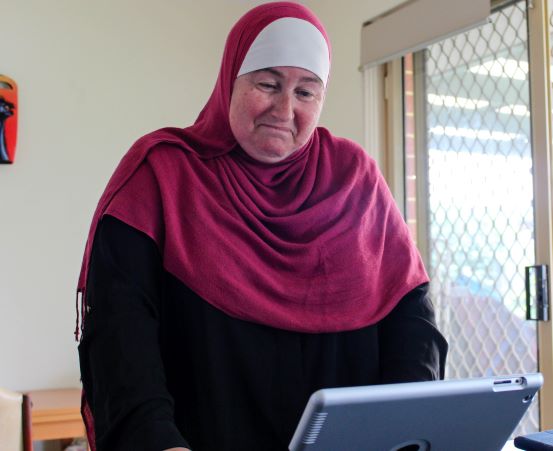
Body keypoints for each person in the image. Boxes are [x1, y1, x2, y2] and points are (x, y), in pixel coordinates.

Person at [76, 2, 448, 451]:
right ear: (229, 81)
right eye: (268, 84)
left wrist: (403, 430)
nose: (284, 109)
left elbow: (412, 321)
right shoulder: (162, 177)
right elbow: (120, 339)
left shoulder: (354, 178)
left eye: (306, 92)